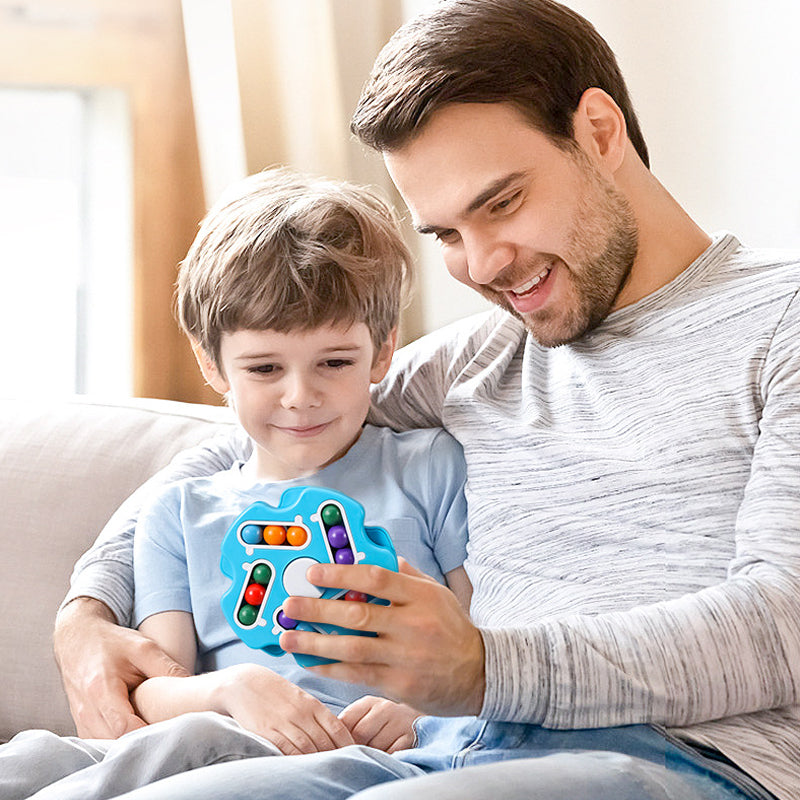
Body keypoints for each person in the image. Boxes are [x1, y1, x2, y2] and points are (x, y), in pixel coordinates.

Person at [52, 0, 800, 799]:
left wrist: (483, 669)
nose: (482, 264)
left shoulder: (780, 322)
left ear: (600, 133)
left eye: (502, 203)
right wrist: (87, 611)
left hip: (673, 764)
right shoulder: (475, 363)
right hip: (449, 757)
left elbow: (782, 625)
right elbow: (258, 445)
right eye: (444, 234)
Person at [0, 167, 471, 800]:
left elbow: (485, 648)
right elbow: (156, 688)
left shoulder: (432, 468)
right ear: (211, 363)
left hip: (368, 758)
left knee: (187, 745)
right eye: (265, 367)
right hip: (219, 731)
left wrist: (424, 710)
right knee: (34, 759)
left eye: (335, 362)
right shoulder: (176, 513)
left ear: (384, 352)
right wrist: (231, 690)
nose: (300, 396)